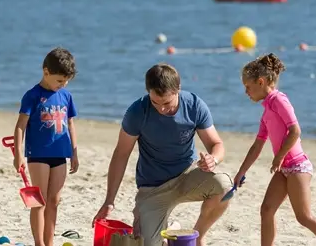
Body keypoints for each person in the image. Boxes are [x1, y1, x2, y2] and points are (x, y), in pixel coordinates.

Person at [93, 63, 231, 246]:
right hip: (153, 188)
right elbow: (121, 154)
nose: (161, 109)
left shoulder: (194, 105)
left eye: (167, 103)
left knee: (225, 187)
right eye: (155, 102)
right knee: (148, 242)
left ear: (178, 90)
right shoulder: (137, 112)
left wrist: (213, 159)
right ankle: (171, 229)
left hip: (186, 176)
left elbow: (217, 144)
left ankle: (198, 236)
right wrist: (109, 200)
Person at [233, 53, 316, 246]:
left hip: (298, 166)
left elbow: (295, 131)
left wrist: (279, 157)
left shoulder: (279, 100)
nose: (246, 92)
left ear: (261, 82)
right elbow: (257, 145)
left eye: (247, 87)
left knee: (304, 217)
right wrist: (242, 171)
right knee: (266, 210)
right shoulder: (267, 111)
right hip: (284, 169)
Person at [13, 47, 79, 246]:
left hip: (60, 154)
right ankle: (39, 243)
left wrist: (74, 152)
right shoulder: (32, 95)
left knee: (54, 201)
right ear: (46, 72)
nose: (63, 84)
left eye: (66, 81)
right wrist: (18, 154)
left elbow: (70, 124)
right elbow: (20, 126)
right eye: (59, 80)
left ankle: (49, 242)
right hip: (38, 154)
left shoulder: (66, 96)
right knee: (39, 201)